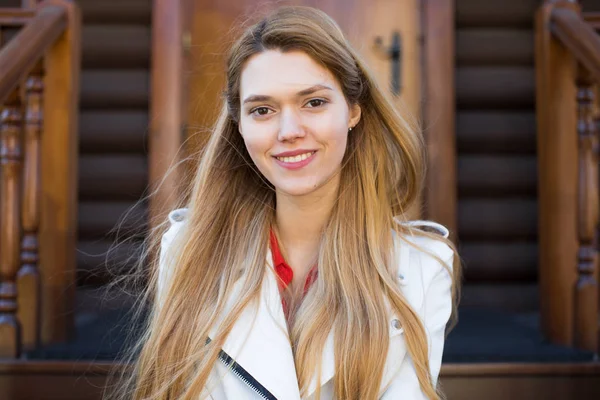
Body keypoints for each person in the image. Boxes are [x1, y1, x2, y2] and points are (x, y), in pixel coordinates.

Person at [110, 5, 461, 400]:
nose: (289, 131)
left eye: (313, 103)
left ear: (353, 110)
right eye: (263, 110)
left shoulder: (421, 268)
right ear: (239, 125)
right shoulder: (189, 249)